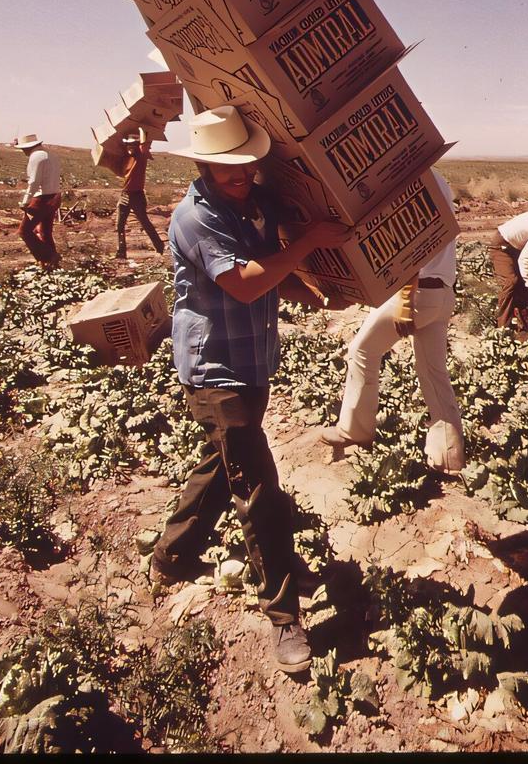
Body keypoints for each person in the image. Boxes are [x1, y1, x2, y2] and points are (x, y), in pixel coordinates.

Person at [149, 105, 351, 674]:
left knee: (224, 464)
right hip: (215, 368)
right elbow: (242, 284)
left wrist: (315, 294)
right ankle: (283, 616)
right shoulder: (195, 219)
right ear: (203, 166)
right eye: (227, 171)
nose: (240, 178)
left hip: (252, 359)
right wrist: (310, 242)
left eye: (245, 168)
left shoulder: (255, 202)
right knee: (258, 489)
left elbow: (271, 269)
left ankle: (171, 555)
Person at [320, 172, 465, 475]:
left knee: (362, 350)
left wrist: (405, 299)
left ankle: (354, 431)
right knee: (433, 372)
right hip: (443, 292)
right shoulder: (438, 180)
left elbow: (410, 247)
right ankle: (448, 456)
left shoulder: (406, 184)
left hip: (417, 293)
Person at [112, 130, 164, 259]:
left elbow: (144, 144)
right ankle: (121, 252)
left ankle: (159, 247)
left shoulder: (141, 156)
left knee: (145, 223)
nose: (130, 147)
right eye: (128, 144)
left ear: (137, 145)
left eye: (132, 145)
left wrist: (141, 129)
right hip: (125, 195)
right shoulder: (125, 158)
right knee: (119, 224)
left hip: (137, 196)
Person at [13, 133, 62, 269]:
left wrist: (25, 201)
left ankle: (49, 256)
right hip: (55, 196)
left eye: (23, 149)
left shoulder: (36, 157)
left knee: (25, 231)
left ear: (27, 147)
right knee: (46, 232)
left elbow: (34, 182)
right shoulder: (52, 155)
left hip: (41, 199)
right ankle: (51, 264)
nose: (23, 151)